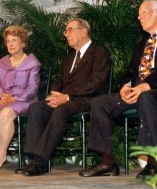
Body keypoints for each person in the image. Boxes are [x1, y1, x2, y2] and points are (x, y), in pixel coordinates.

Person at [79, 0, 157, 180]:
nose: (139, 17)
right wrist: (126, 86)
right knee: (100, 102)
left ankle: (153, 162)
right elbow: (130, 72)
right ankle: (107, 161)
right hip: (139, 92)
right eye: (139, 14)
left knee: (147, 97)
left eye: (144, 12)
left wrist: (148, 85)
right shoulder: (141, 44)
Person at [17, 18, 111, 176]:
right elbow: (59, 82)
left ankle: (40, 161)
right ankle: (34, 158)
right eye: (65, 31)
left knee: (61, 110)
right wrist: (54, 95)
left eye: (69, 30)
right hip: (66, 99)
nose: (65, 34)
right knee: (36, 108)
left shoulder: (99, 52)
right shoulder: (69, 58)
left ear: (83, 31)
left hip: (89, 99)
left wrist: (67, 96)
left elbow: (97, 83)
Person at [0, 25, 41, 171]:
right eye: (8, 41)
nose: (10, 44)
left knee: (6, 113)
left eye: (14, 40)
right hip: (4, 99)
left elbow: (33, 89)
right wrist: (2, 97)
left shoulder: (32, 63)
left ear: (23, 43)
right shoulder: (1, 63)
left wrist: (13, 98)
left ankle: (2, 152)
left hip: (25, 100)